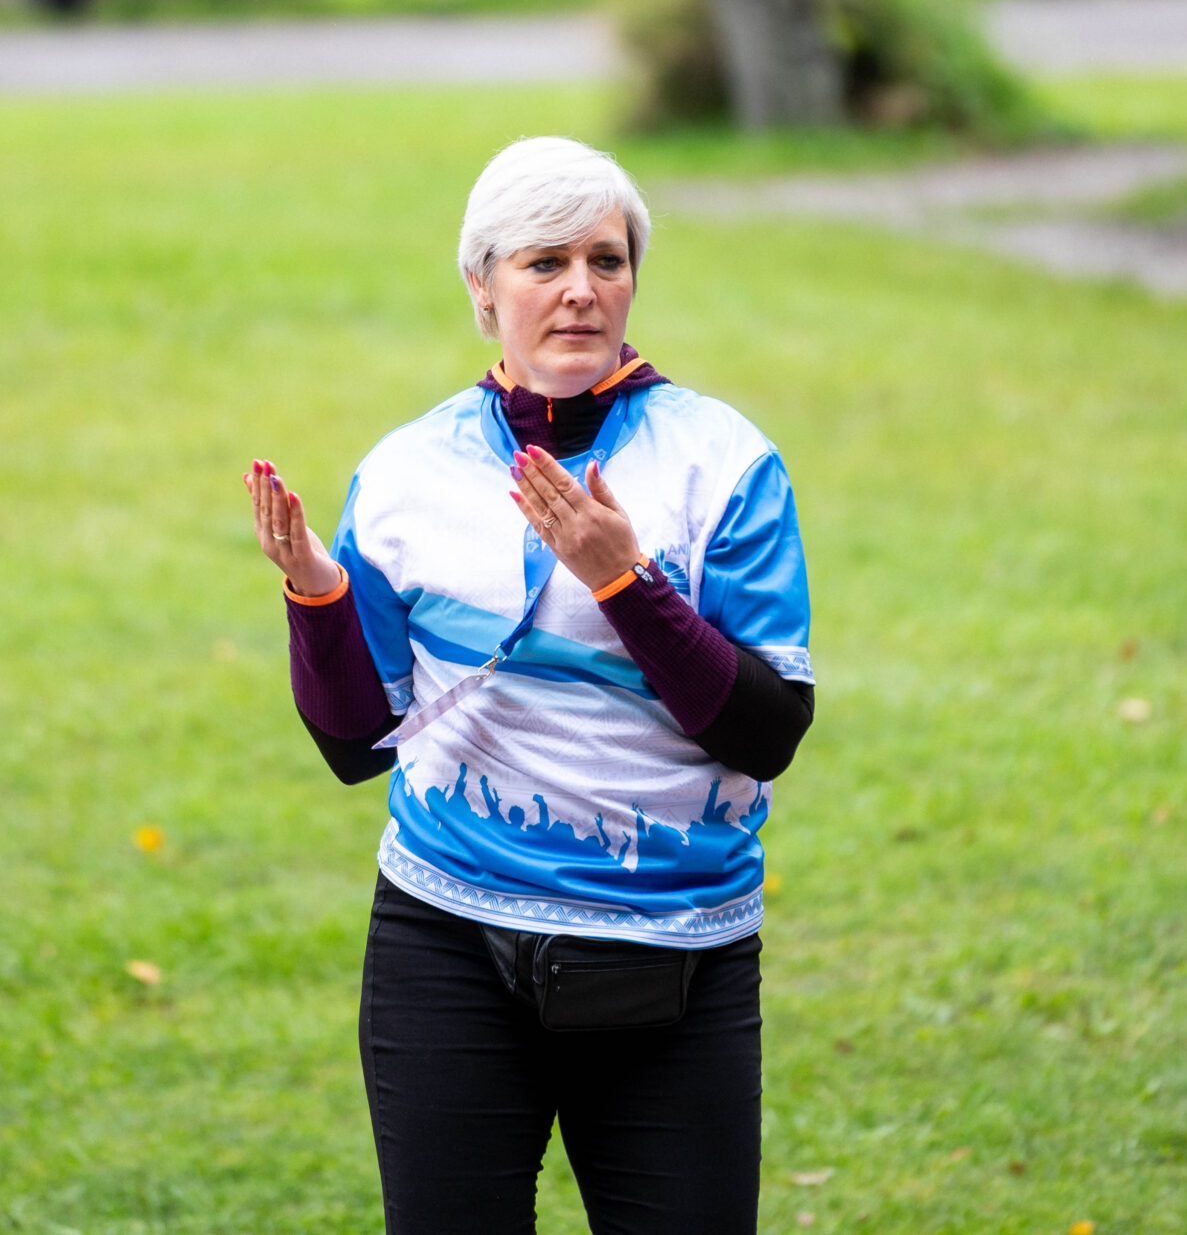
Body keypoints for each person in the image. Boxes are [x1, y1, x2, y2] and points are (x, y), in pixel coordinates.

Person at [244, 135, 814, 1235]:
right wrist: (316, 596)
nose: (580, 289)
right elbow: (356, 745)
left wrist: (623, 582)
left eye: (606, 259)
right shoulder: (407, 471)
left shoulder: (723, 461)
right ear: (482, 287)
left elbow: (767, 733)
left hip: (675, 953)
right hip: (446, 941)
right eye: (544, 262)